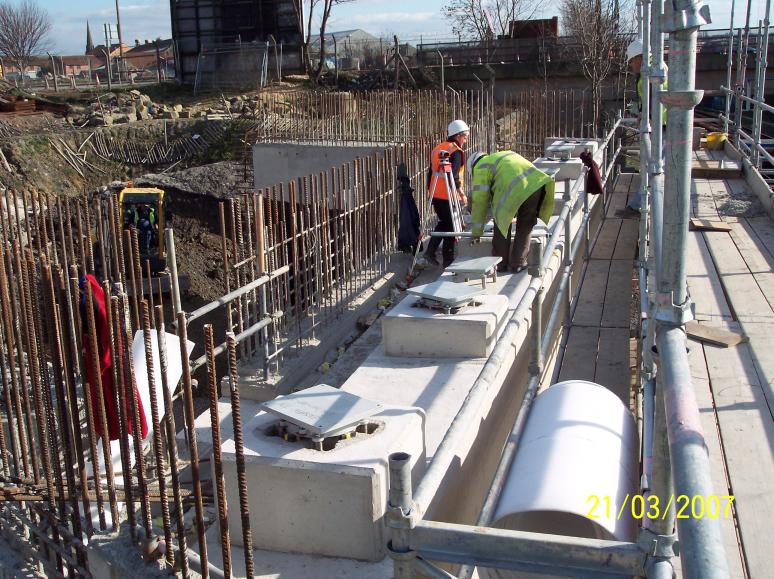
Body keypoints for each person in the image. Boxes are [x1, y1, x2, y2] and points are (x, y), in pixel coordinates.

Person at [468, 151, 555, 273]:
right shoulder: (502, 156)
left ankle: (500, 264)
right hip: (536, 185)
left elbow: (479, 202)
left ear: (472, 166)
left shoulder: (480, 167)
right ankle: (518, 264)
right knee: (526, 224)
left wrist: (476, 232)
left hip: (516, 190)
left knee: (501, 223)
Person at [622, 38, 667, 216]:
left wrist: (646, 115)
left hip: (661, 124)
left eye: (632, 61)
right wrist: (644, 113)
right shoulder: (651, 70)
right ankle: (643, 203)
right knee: (653, 164)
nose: (631, 65)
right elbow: (649, 99)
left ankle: (639, 205)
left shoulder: (651, 73)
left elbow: (654, 98)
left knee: (654, 165)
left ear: (639, 58)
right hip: (659, 122)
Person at [423, 119, 469, 268]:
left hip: (436, 193)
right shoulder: (455, 151)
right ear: (457, 136)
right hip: (448, 195)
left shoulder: (439, 148)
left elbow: (431, 172)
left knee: (444, 222)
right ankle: (448, 260)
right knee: (451, 227)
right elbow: (454, 176)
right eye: (465, 136)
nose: (466, 139)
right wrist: (461, 193)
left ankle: (430, 251)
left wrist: (430, 191)